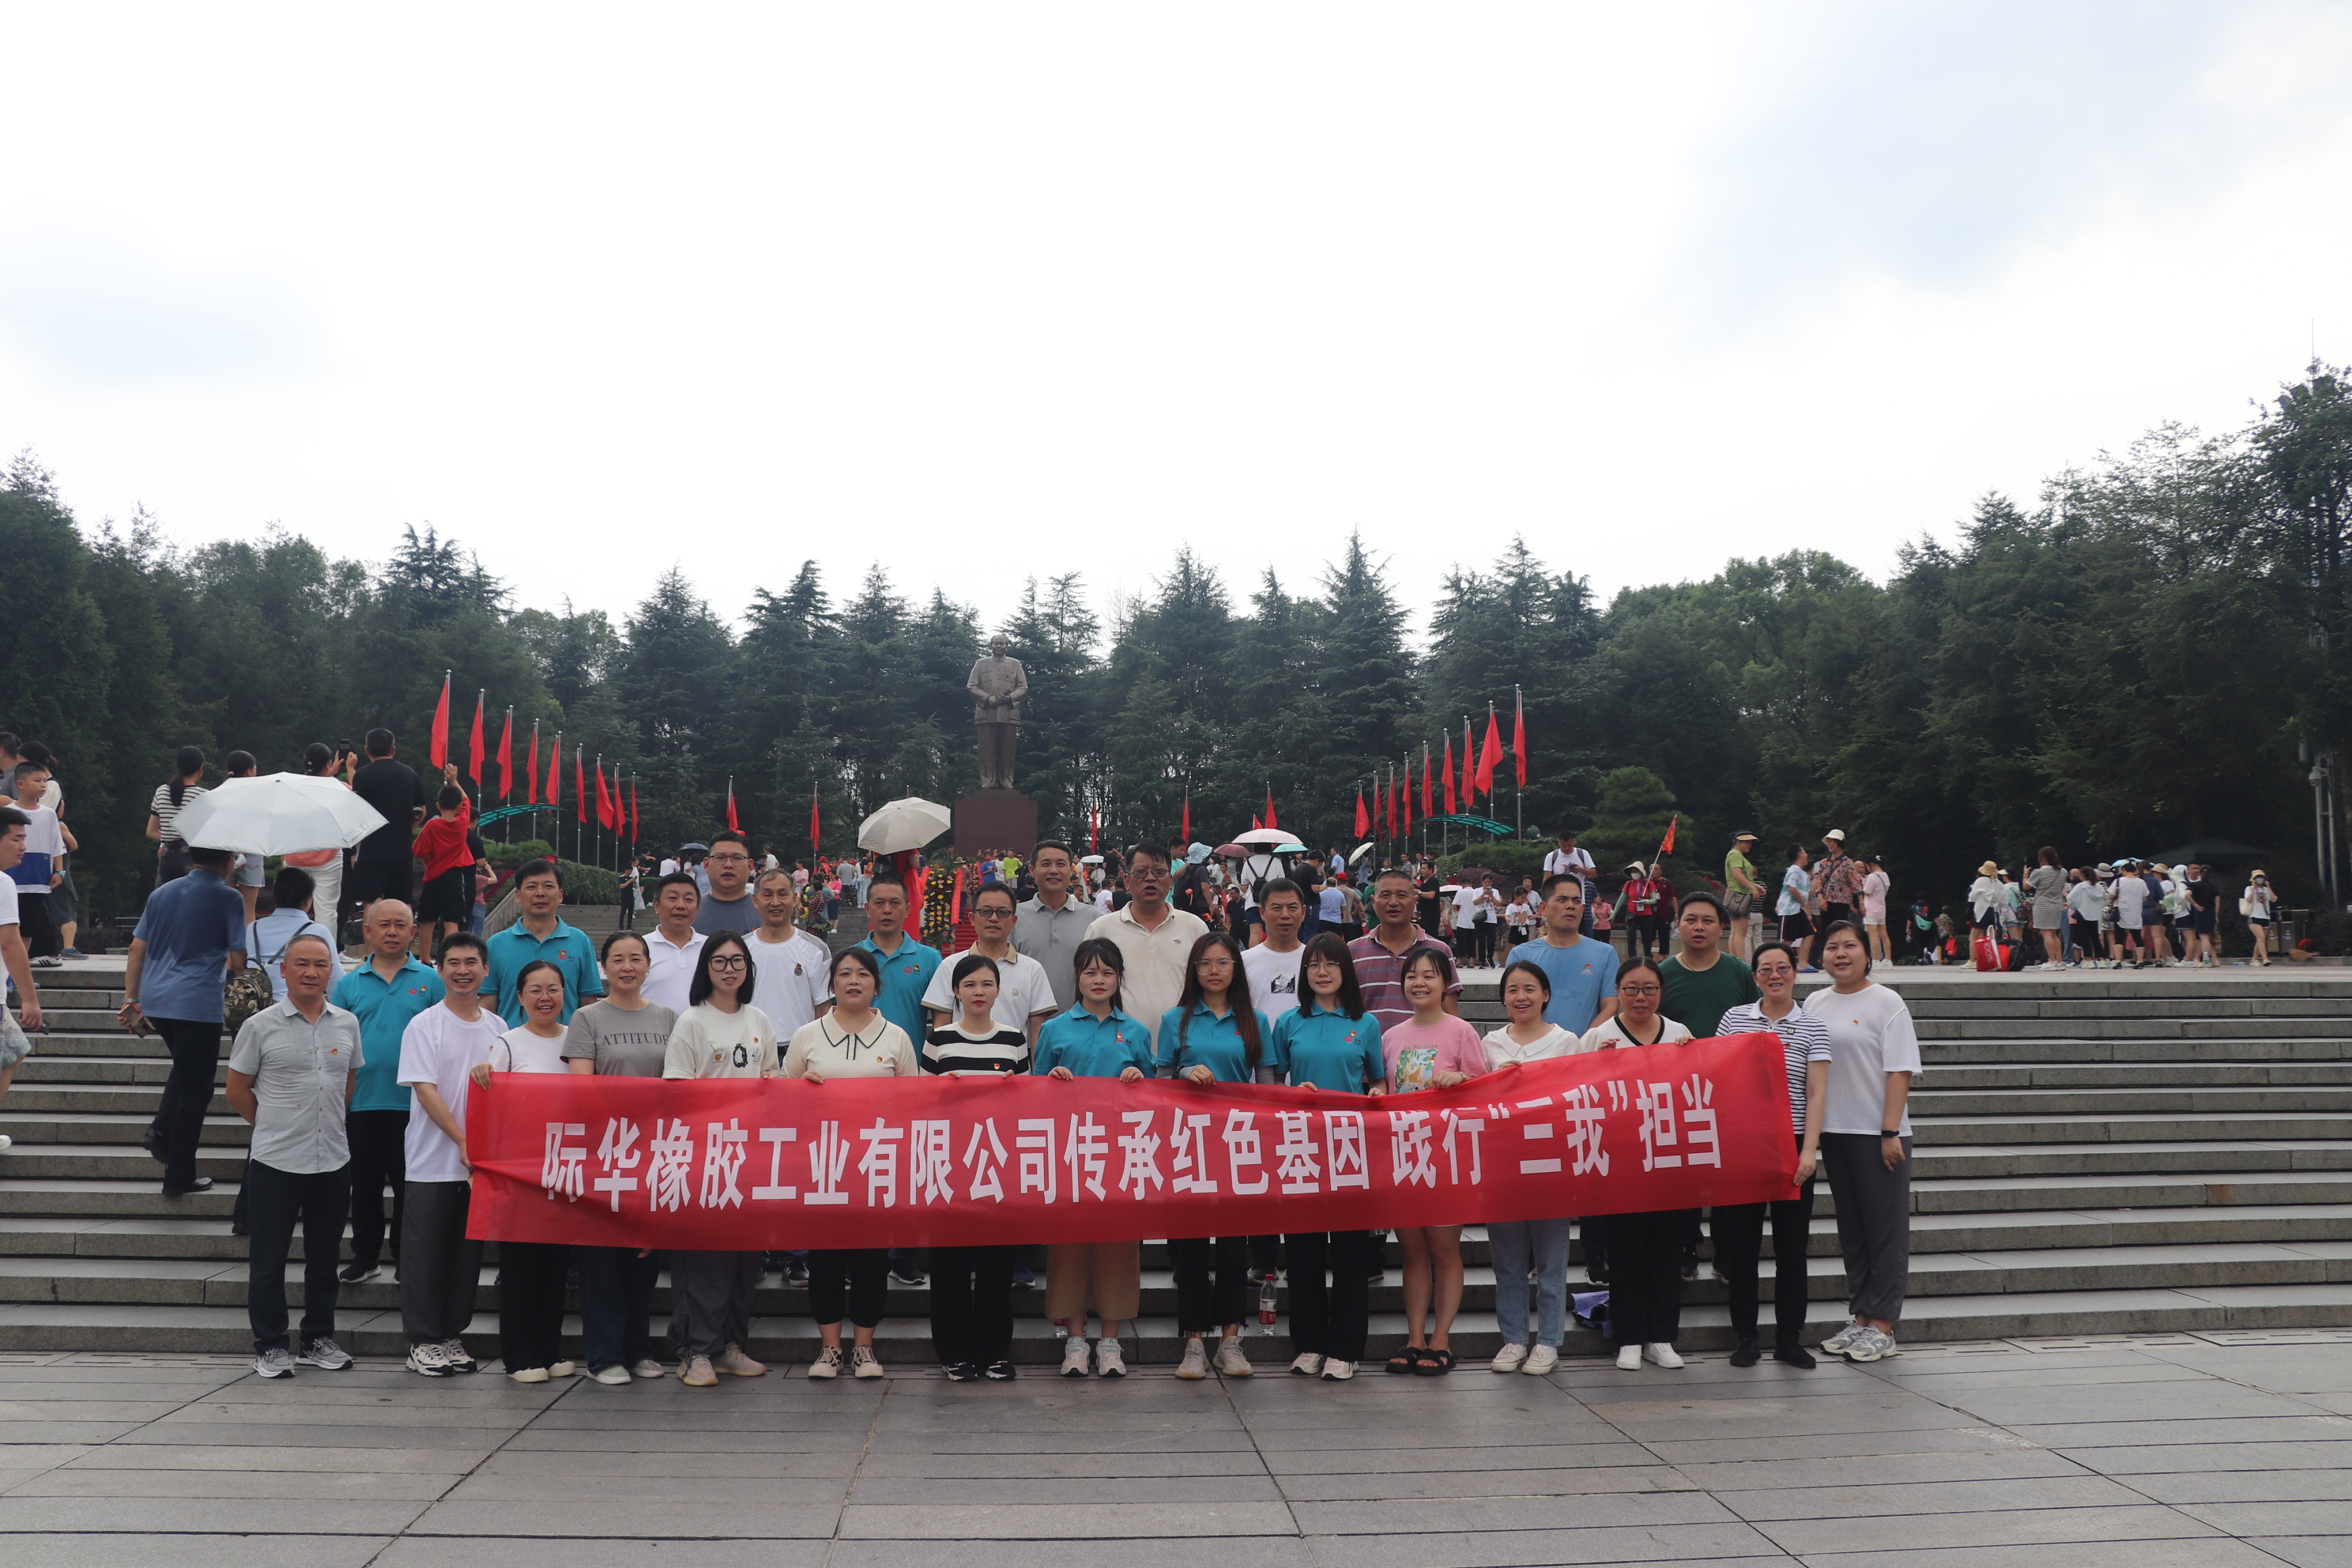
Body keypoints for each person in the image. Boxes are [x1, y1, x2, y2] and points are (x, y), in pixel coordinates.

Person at [224, 931, 360, 1378]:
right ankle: (270, 1344)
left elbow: (348, 1082)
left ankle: (317, 1338)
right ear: (283, 970)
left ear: (331, 972)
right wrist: (271, 1124)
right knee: (268, 1260)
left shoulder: (347, 1023)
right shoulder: (259, 1025)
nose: (311, 972)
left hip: (332, 1159)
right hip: (276, 1162)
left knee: (325, 1259)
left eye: (321, 964)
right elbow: (236, 1089)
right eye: (301, 963)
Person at [782, 946, 916, 1381]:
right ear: (832, 983)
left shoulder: (896, 1037)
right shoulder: (808, 1035)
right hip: (822, 1166)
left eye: (863, 974)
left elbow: (912, 1103)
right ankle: (829, 1349)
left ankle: (863, 1349)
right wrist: (801, 1087)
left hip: (876, 1166)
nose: (853, 981)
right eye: (844, 974)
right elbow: (782, 1097)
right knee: (825, 1261)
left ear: (877, 984)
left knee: (871, 1262)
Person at [1263, 933, 1385, 1381]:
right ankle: (1310, 1344)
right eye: (1313, 965)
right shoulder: (1288, 1022)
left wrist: (1376, 1094)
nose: (1322, 972)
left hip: (1350, 1148)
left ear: (1345, 971)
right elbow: (1272, 1083)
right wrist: (1291, 1092)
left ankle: (1346, 1349)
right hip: (1301, 1148)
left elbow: (1378, 1080)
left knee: (1351, 1254)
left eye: (1331, 964)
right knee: (1303, 1253)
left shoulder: (1365, 1023)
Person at [1157, 932, 1276, 1380]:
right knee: (1190, 1247)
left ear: (1236, 969)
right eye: (1205, 963)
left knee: (1232, 1248)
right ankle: (1193, 1341)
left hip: (1238, 1144)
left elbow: (1266, 1083)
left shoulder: (1255, 1020)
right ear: (1194, 970)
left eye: (1223, 962)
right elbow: (1159, 1081)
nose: (1214, 970)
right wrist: (1185, 1072)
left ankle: (1230, 1340)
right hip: (1187, 1144)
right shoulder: (1176, 1019)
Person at [664, 933, 779, 1386]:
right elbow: (677, 1090)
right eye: (719, 961)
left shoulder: (759, 1019)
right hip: (704, 1155)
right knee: (704, 1257)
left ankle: (730, 1345)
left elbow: (771, 1078)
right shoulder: (691, 1021)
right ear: (705, 968)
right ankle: (695, 1351)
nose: (729, 969)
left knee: (744, 1257)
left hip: (750, 1156)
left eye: (737, 961)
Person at [1035, 937, 1153, 1377]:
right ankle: (1075, 1340)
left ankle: (1110, 1342)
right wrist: (1052, 1080)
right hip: (1069, 1153)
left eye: (1107, 972)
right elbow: (1034, 1092)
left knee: (1118, 1247)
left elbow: (1154, 1097)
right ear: (1077, 978)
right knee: (1069, 1247)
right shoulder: (1055, 1029)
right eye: (1090, 972)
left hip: (1120, 1154)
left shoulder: (1137, 1032)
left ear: (1119, 978)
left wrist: (1139, 1078)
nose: (1098, 980)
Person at [1805, 922, 1920, 1364]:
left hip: (1878, 1135)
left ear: (1866, 954)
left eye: (1850, 945)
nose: (1840, 953)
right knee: (1853, 1231)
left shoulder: (1887, 1002)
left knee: (1884, 1232)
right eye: (1832, 947)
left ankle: (1884, 1326)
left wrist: (1889, 1132)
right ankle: (1861, 1317)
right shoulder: (1815, 1002)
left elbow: (1900, 1070)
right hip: (1835, 1131)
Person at [564, 930, 676, 1383]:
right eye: (617, 959)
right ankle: (604, 1356)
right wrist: (619, 1135)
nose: (627, 967)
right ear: (604, 968)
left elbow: (678, 1085)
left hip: (655, 1151)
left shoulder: (669, 1017)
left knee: (643, 1258)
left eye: (635, 958)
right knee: (602, 1259)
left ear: (648, 965)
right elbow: (582, 1087)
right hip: (604, 1151)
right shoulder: (586, 1017)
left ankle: (638, 1349)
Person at [1713, 941, 1830, 1370]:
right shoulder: (1734, 1019)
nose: (1775, 975)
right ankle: (1746, 1337)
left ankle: (1789, 1340)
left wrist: (1809, 1151)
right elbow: (1718, 1076)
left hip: (1792, 1145)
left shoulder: (1813, 1026)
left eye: (1783, 968)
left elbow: (1816, 1092)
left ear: (1795, 973)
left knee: (1792, 1251)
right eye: (1766, 969)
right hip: (1745, 1145)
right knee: (1742, 1250)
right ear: (1755, 976)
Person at [396, 932, 507, 1376]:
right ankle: (422, 1341)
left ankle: (450, 1334)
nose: (463, 971)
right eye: (453, 963)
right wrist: (463, 1141)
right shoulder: (425, 1025)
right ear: (438, 969)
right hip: (432, 1161)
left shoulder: (498, 1028)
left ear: (485, 969)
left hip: (479, 1167)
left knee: (466, 1257)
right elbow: (425, 1090)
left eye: (471, 963)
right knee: (425, 1256)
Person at [922, 953, 1032, 1381]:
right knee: (949, 1265)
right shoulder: (939, 1038)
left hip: (997, 1163)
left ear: (999, 990)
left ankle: (994, 1352)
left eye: (987, 984)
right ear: (956, 992)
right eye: (969, 985)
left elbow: (1027, 1100)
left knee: (996, 1265)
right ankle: (953, 1352)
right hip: (949, 1165)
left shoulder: (1013, 1038)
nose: (978, 992)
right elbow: (920, 1101)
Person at [1581, 956, 1695, 1369]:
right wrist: (1599, 1066)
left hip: (1668, 1158)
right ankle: (1629, 1337)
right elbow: (1577, 1093)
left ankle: (1661, 1336)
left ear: (1661, 992)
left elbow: (1695, 1091)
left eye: (1649, 989)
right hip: (1620, 1162)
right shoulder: (1599, 1036)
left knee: (1666, 1249)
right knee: (1625, 1250)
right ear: (1618, 991)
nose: (1640, 997)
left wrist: (1690, 1059)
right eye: (1631, 989)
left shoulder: (1680, 1034)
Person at [470, 959, 577, 1382]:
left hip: (563, 1169)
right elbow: (491, 1105)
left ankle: (550, 1351)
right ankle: (520, 1356)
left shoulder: (576, 1040)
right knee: (520, 1266)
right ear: (519, 996)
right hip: (520, 1171)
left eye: (553, 989)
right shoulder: (508, 1043)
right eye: (535, 990)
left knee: (555, 1266)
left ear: (564, 994)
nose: (545, 998)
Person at [122, 843, 248, 1197]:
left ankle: (160, 1130)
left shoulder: (162, 892)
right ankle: (178, 1172)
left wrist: (131, 998)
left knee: (185, 1067)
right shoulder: (229, 898)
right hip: (198, 1000)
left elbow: (136, 947)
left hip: (157, 999)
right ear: (228, 861)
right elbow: (238, 958)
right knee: (198, 1089)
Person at [327, 900, 443, 1286]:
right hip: (362, 1101)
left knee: (411, 1185)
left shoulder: (431, 980)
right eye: (384, 925)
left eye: (400, 925)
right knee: (365, 1185)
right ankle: (366, 1255)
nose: (392, 932)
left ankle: (405, 1256)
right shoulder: (348, 985)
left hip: (417, 1104)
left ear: (414, 932)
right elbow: (335, 1041)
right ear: (368, 931)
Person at [1380, 946, 1483, 1374]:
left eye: (1429, 975)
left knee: (1444, 1249)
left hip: (1445, 1157)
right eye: (1412, 976)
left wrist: (1461, 1079)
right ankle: (1415, 1338)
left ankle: (1441, 1340)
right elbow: (1385, 1091)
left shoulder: (1461, 1031)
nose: (1419, 983)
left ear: (1445, 984)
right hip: (1404, 1157)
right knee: (1413, 1251)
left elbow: (1484, 1089)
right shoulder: (1390, 1037)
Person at [1479, 959, 1579, 1375]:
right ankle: (1514, 1339)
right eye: (1512, 990)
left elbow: (1577, 1095)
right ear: (1503, 998)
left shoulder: (1566, 1041)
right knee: (1507, 1260)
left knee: (1552, 1259)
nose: (1521, 997)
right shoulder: (1490, 1043)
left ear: (1546, 995)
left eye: (1529, 989)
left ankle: (1549, 1340)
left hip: (1550, 1163)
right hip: (1502, 1163)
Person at [1084, 842, 1208, 1047]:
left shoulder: (1194, 927)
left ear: (1171, 881)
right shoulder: (1101, 929)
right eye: (1141, 872)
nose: (1150, 878)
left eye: (1159, 872)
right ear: (1127, 881)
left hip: (1183, 1046)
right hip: (1117, 1047)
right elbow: (1087, 991)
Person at [921, 881, 1057, 1036]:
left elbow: (1038, 1033)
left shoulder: (1032, 970)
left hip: (1014, 1052)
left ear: (1013, 921)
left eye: (1003, 912)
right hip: (959, 1051)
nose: (994, 918)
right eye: (986, 911)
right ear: (972, 918)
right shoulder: (950, 966)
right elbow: (940, 1029)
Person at [482, 858, 602, 1026]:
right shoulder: (496, 944)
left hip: (566, 1041)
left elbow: (588, 1004)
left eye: (548, 886)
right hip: (511, 1040)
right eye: (531, 887)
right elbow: (487, 1007)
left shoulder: (580, 942)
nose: (540, 893)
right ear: (518, 896)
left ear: (560, 895)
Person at [1349, 867, 1462, 1034]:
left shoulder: (1439, 951)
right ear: (1373, 901)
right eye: (1385, 895)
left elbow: (1451, 1017)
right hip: (1366, 1048)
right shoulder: (1353, 951)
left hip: (1422, 1048)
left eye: (1402, 895)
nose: (1393, 902)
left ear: (1415, 900)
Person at [1506, 874, 1619, 1035]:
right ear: (1543, 908)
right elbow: (1513, 1010)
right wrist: (1549, 1044)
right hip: (1536, 1047)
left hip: (1586, 1047)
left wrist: (1582, 1044)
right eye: (1562, 900)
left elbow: (1611, 1006)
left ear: (1583, 909)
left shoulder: (1605, 953)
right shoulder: (1521, 955)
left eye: (1576, 901)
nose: (1570, 906)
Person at [852, 873, 942, 1046]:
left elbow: (942, 1018)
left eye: (895, 903)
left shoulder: (929, 959)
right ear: (867, 909)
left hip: (911, 1058)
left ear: (907, 909)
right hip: (860, 1059)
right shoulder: (852, 958)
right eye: (879, 903)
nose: (887, 910)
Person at [0, 807, 44, 1153]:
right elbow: (10, 942)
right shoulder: (3, 883)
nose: (23, 847)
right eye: (17, 839)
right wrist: (30, 999)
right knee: (14, 1051)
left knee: (14, 1051)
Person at [349, 730, 428, 918]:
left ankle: (370, 939)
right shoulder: (410, 774)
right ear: (393, 750)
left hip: (372, 849)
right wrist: (405, 829)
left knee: (370, 901)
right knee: (402, 904)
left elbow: (356, 812)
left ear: (367, 750)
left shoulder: (362, 775)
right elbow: (422, 811)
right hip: (401, 849)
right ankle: (402, 938)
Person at [746, 867, 833, 1037]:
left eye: (782, 894)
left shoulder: (817, 949)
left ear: (794, 900)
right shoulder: (741, 949)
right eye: (767, 895)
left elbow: (823, 1008)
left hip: (801, 1047)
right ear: (755, 900)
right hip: (751, 1046)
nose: (775, 902)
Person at [1657, 891, 1759, 1037]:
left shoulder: (1742, 973)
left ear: (1721, 928)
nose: (1699, 927)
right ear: (1679, 925)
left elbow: (1759, 1023)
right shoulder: (1660, 975)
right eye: (1691, 920)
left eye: (1708, 921)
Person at [287, 741, 353, 942]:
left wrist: (327, 772)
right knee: (326, 911)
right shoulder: (338, 788)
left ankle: (291, 952)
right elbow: (359, 800)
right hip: (328, 858)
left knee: (291, 910)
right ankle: (326, 954)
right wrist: (349, 769)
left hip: (295, 856)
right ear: (328, 764)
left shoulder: (291, 788)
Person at [409, 767, 476, 959]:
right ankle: (448, 959)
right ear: (458, 808)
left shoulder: (432, 825)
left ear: (438, 805)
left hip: (433, 877)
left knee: (427, 920)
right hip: (454, 876)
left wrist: (428, 864)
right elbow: (466, 800)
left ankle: (424, 959)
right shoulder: (462, 823)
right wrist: (454, 780)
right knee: (451, 921)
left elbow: (418, 851)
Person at [247, 869, 333, 1002]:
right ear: (308, 901)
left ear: (275, 896)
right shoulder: (318, 931)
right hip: (296, 1006)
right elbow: (336, 983)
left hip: (255, 1005)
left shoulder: (253, 928)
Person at [1240, 878, 1309, 1022]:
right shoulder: (1243, 961)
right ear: (1262, 913)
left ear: (1303, 912)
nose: (1285, 915)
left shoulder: (1315, 960)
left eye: (1292, 908)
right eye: (1276, 908)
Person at [641, 871, 707, 1013]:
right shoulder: (639, 948)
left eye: (688, 899)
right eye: (672, 898)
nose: (681, 905)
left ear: (697, 907)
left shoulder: (711, 948)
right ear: (656, 906)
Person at [147, 745, 209, 886]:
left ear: (178, 766)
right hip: (191, 858)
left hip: (166, 857)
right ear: (201, 768)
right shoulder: (203, 796)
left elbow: (151, 832)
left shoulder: (161, 791)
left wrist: (169, 837)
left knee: (165, 897)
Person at [1809, 830, 1860, 969]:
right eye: (1829, 841)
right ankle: (1823, 958)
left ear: (1839, 843)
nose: (1829, 844)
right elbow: (1818, 881)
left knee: (1840, 931)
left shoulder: (1848, 862)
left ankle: (1840, 956)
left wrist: (1861, 902)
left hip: (1841, 902)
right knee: (1824, 931)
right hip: (1825, 902)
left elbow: (1855, 884)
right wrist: (1820, 897)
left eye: (1832, 841)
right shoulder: (1823, 863)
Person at [694, 830, 760, 935]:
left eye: (737, 858)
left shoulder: (765, 912)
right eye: (720, 858)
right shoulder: (689, 912)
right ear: (706, 865)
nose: (728, 865)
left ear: (750, 866)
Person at [1237, 843, 1289, 941]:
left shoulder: (1248, 862)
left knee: (1254, 933)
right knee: (1273, 932)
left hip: (1252, 902)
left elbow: (1244, 882)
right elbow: (1282, 881)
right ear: (1269, 848)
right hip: (1273, 902)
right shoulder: (1276, 861)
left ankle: (1254, 952)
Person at [1723, 831, 1762, 959]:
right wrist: (1752, 888)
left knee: (1735, 931)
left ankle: (1735, 960)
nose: (1750, 845)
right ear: (1739, 841)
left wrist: (1756, 886)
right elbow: (1737, 875)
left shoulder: (1736, 855)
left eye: (1751, 842)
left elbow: (1742, 877)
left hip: (1738, 896)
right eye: (1747, 842)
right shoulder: (1736, 854)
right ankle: (1741, 962)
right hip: (1739, 897)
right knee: (1741, 932)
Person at [2026, 846, 2066, 969]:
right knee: (2054, 933)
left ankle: (2052, 961)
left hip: (2042, 904)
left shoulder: (2039, 872)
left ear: (2042, 858)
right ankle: (2060, 961)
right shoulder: (2062, 872)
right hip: (2057, 903)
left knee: (2046, 932)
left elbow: (2026, 886)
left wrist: (2025, 874)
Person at [1777, 845, 1815, 958]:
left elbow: (1809, 893)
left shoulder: (1802, 873)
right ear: (1800, 854)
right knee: (1787, 940)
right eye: (1805, 851)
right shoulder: (1794, 870)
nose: (1807, 854)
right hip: (1789, 910)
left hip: (1797, 909)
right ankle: (1777, 959)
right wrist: (1802, 901)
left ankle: (1803, 963)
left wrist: (1817, 879)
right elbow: (1791, 888)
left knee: (1809, 933)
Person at [1860, 856, 1891, 964]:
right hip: (1881, 909)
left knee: (1874, 936)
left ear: (1871, 864)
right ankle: (1888, 960)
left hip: (1871, 909)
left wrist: (1864, 882)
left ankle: (1876, 960)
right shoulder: (1885, 875)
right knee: (1884, 935)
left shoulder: (1872, 876)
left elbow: (1867, 892)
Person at [2246, 869, 2278, 965]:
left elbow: (2274, 899)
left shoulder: (2265, 890)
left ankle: (2254, 960)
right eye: (2257, 877)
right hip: (2255, 916)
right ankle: (2265, 959)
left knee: (2261, 939)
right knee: (2261, 938)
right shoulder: (2249, 888)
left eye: (2261, 877)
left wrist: (2268, 886)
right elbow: (2249, 900)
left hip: (2265, 917)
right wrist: (2254, 888)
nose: (2259, 879)